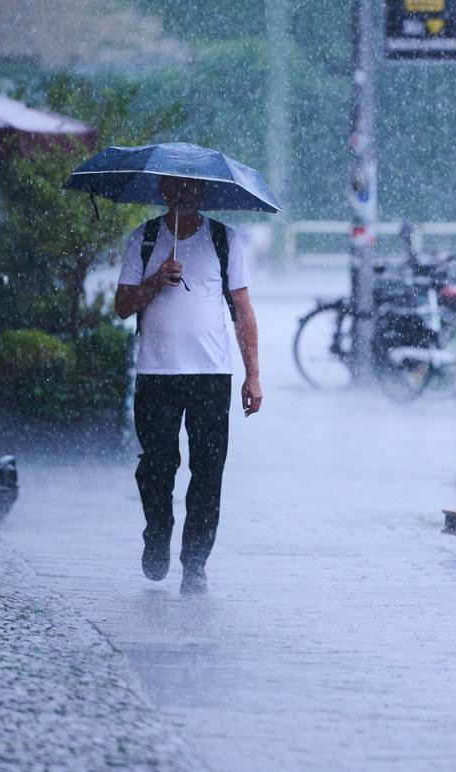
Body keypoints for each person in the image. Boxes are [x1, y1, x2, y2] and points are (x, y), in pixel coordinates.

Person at [114, 176, 262, 594]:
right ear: (163, 190)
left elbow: (243, 312)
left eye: (193, 188)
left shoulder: (223, 239)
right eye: (176, 187)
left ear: (204, 193)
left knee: (208, 472)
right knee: (157, 467)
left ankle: (194, 563)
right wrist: (156, 280)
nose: (185, 195)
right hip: (156, 374)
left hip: (211, 375)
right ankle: (157, 534)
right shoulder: (143, 239)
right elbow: (122, 306)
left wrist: (253, 374)